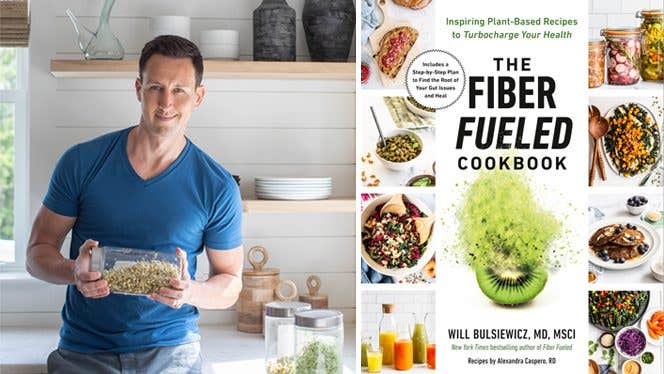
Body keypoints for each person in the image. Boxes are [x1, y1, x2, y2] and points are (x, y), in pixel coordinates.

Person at [25, 35, 243, 373]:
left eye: (180, 90)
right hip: (84, 351)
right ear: (138, 88)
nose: (166, 102)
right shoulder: (82, 163)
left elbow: (230, 282)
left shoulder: (217, 186)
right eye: (156, 87)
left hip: (173, 353)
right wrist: (74, 272)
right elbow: (37, 253)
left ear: (198, 97)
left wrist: (190, 292)